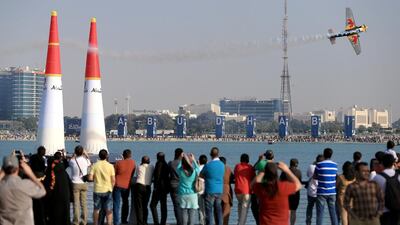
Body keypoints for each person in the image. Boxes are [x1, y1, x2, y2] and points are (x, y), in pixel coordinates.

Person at [0, 152, 46, 225]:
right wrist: (30, 173)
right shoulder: (26, 185)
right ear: (18, 168)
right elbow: (42, 191)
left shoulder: (1, 186)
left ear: (3, 169)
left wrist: (2, 172)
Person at [43, 151, 71, 225]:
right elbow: (70, 185)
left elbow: (47, 188)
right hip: (65, 198)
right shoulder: (64, 172)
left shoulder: (50, 173)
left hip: (54, 199)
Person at [88, 149, 115, 225]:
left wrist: (96, 178)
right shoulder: (110, 166)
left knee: (96, 209)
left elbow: (90, 178)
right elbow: (113, 180)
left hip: (97, 189)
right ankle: (109, 223)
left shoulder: (95, 165)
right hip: (108, 190)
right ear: (107, 156)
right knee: (109, 209)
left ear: (99, 156)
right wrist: (111, 188)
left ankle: (95, 223)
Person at [371, 153, 400, 225]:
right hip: (397, 210)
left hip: (383, 211)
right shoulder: (398, 176)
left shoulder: (377, 178)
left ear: (382, 163)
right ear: (393, 163)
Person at [200, 147, 225, 225]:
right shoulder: (222, 165)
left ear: (211, 155)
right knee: (219, 210)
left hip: (210, 189)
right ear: (218, 154)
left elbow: (200, 175)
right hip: (219, 190)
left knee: (209, 211)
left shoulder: (208, 165)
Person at [314, 148, 338, 225]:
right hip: (332, 192)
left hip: (321, 192)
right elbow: (334, 176)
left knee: (320, 213)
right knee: (333, 213)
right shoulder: (335, 165)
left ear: (324, 155)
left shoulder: (319, 165)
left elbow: (315, 176)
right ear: (331, 155)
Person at [69, 145, 91, 225]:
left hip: (75, 183)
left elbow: (70, 161)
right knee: (84, 203)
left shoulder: (72, 161)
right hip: (84, 183)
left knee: (76, 203)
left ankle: (76, 221)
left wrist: (73, 154)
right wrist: (86, 154)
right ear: (82, 152)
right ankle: (84, 221)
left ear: (75, 152)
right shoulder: (85, 160)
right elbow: (89, 163)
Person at [251, 149, 274, 225]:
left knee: (257, 208)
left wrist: (259, 159)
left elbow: (253, 168)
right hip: (270, 189)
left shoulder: (261, 163)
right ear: (273, 156)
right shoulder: (274, 165)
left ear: (265, 156)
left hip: (260, 188)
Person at [113, 149, 135, 225]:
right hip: (127, 185)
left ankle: (116, 222)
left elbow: (114, 174)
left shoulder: (118, 163)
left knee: (116, 204)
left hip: (117, 185)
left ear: (123, 155)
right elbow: (132, 174)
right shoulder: (133, 163)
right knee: (125, 202)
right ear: (130, 155)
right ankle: (124, 220)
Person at [177, 153, 200, 225]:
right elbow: (198, 169)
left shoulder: (180, 171)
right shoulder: (194, 171)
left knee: (184, 212)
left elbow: (178, 167)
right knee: (192, 214)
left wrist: (181, 158)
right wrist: (193, 160)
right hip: (192, 194)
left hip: (182, 194)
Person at [234, 153, 255, 225]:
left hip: (237, 191)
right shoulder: (250, 167)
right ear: (248, 160)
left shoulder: (237, 166)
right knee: (244, 208)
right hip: (247, 191)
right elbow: (253, 177)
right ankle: (241, 223)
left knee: (240, 205)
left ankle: (239, 221)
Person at [29, 146, 47, 225]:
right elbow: (43, 168)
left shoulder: (32, 157)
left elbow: (30, 165)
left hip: (33, 176)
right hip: (41, 176)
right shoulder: (43, 159)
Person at [280, 158, 302, 225]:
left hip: (286, 193)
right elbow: (300, 182)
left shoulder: (285, 172)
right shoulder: (299, 172)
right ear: (296, 164)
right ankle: (292, 224)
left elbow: (280, 181)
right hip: (295, 193)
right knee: (294, 211)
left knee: (287, 210)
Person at [150, 152, 170, 225]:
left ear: (157, 157)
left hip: (158, 188)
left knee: (152, 205)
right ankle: (163, 222)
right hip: (165, 188)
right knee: (163, 205)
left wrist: (155, 186)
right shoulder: (166, 164)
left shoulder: (158, 164)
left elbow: (157, 176)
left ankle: (156, 222)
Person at [134, 156, 154, 225]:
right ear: (149, 161)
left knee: (139, 206)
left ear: (141, 161)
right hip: (147, 187)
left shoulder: (138, 167)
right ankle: (145, 221)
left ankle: (140, 222)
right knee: (145, 205)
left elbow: (137, 175)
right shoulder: (152, 167)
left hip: (139, 186)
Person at [305, 154, 324, 225]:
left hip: (310, 191)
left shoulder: (311, 166)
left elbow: (307, 175)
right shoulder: (323, 168)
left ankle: (308, 222)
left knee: (309, 208)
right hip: (319, 192)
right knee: (319, 210)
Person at [169, 148, 184, 225]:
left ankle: (179, 221)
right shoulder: (183, 164)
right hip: (182, 185)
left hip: (173, 185)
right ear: (181, 154)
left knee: (176, 205)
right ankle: (182, 221)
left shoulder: (171, 163)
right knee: (182, 205)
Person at [219, 157, 233, 225]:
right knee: (226, 213)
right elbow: (233, 178)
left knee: (217, 213)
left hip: (217, 192)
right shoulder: (228, 169)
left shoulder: (216, 169)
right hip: (226, 192)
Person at [198, 154, 208, 225]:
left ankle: (202, 223)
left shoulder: (197, 168)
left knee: (201, 209)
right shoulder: (208, 168)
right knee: (208, 209)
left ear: (199, 161)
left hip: (199, 191)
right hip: (207, 190)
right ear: (207, 161)